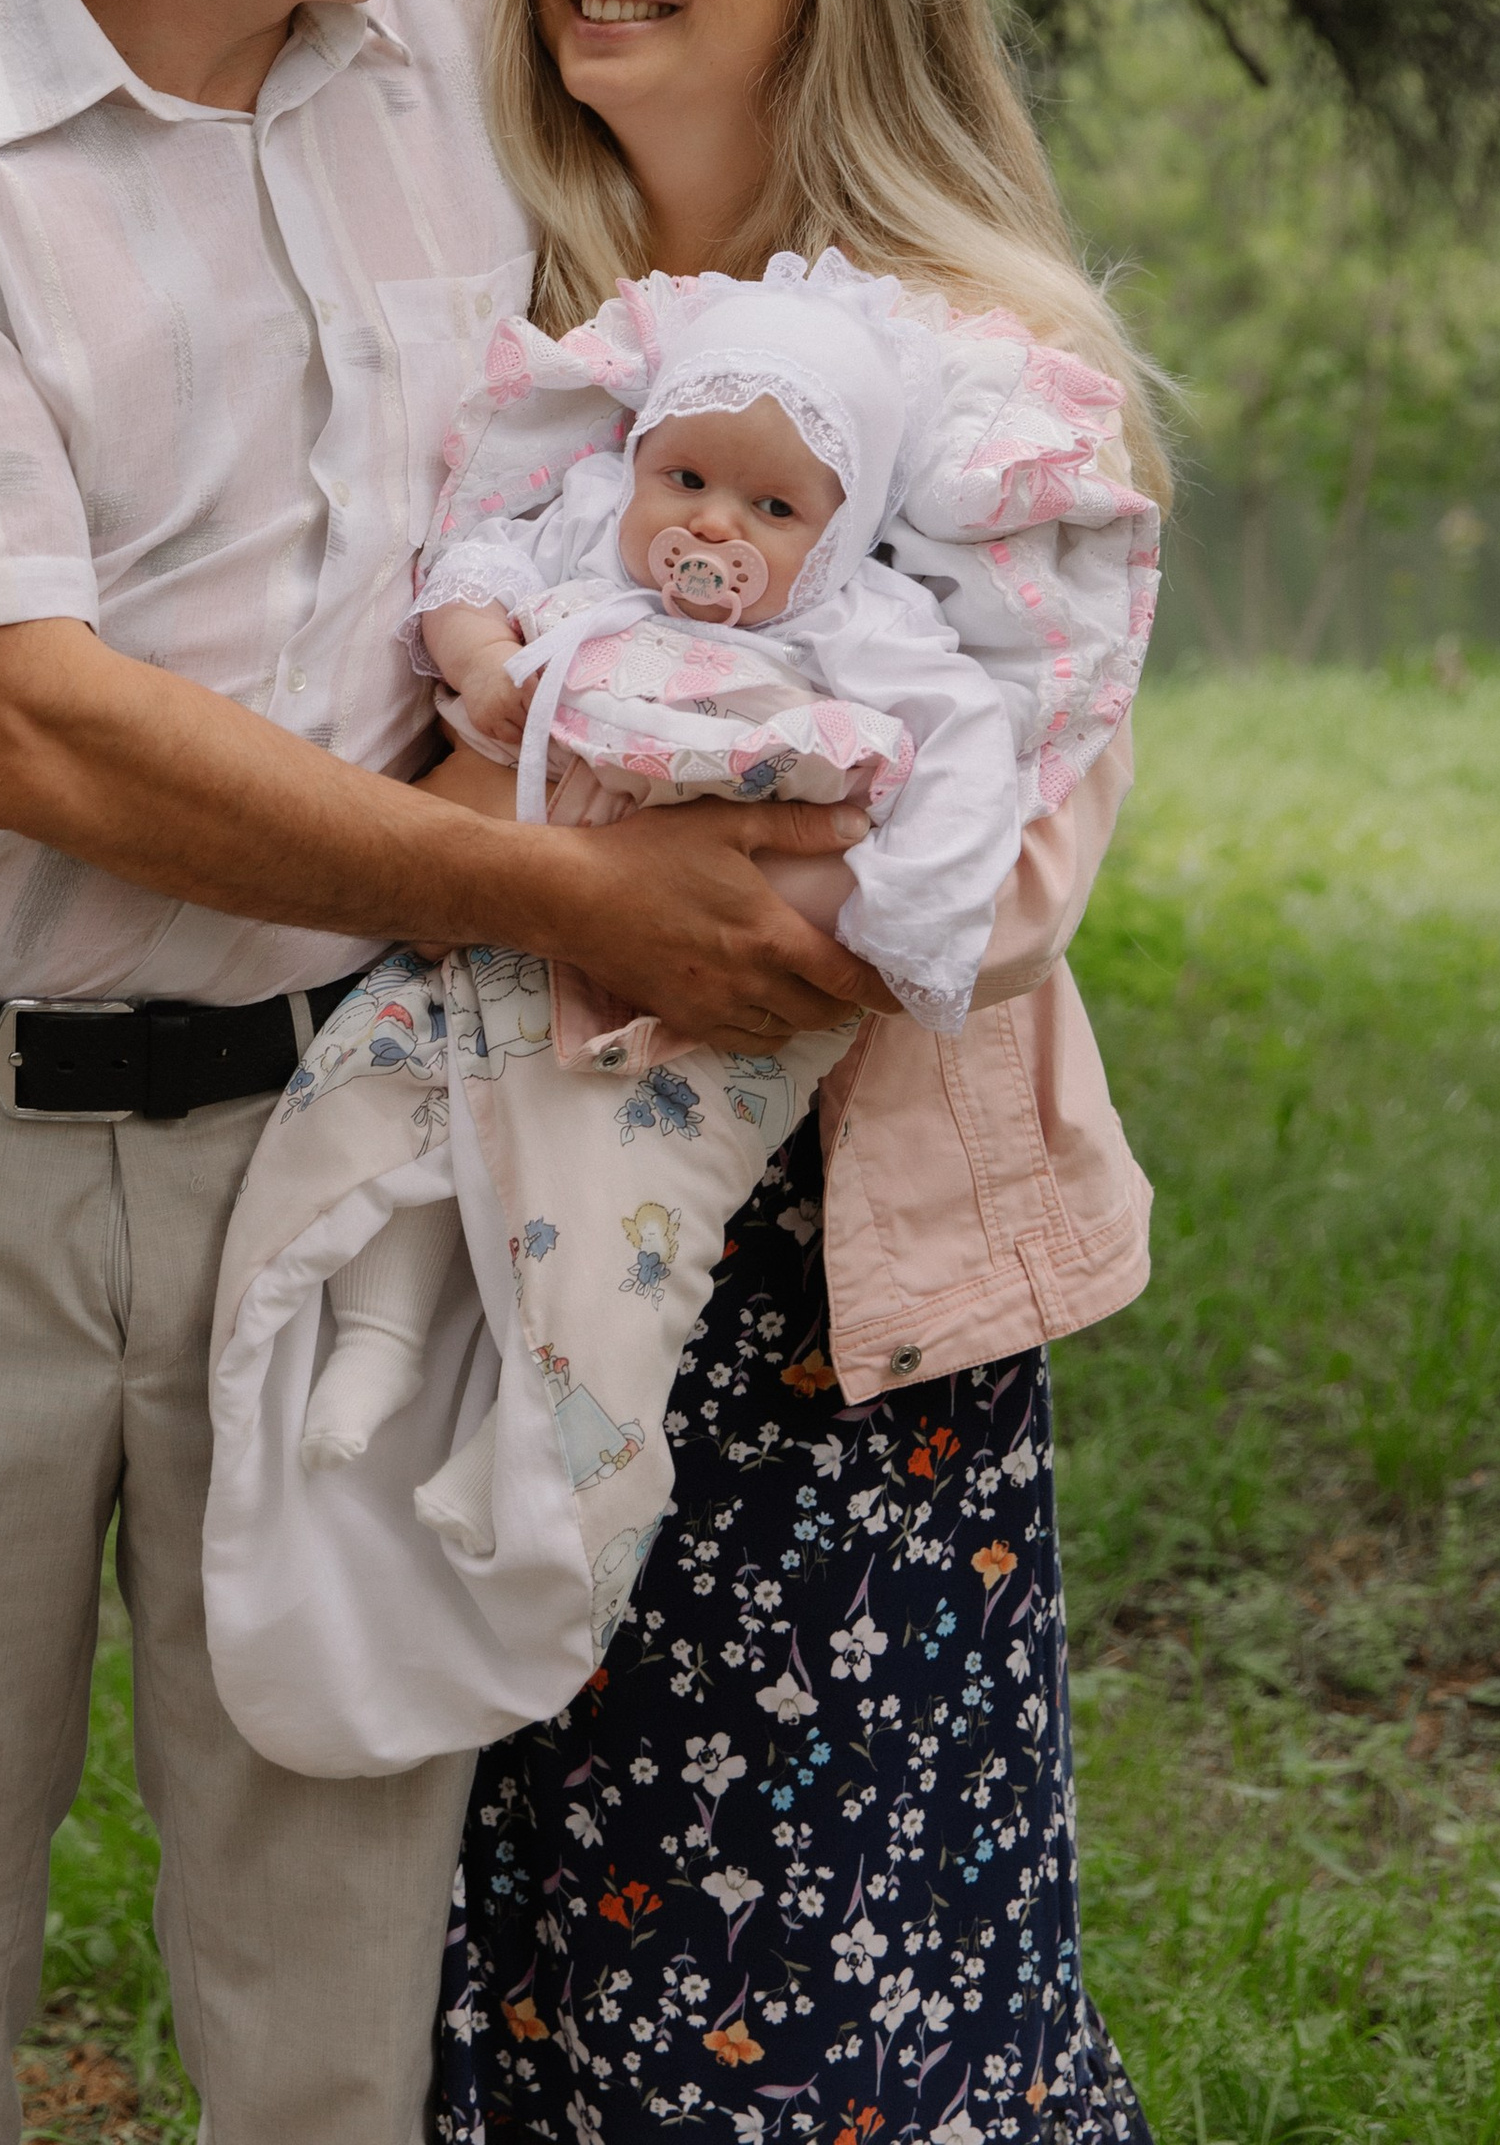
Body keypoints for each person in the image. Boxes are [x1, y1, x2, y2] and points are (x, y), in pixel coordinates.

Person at [0, 0, 1162, 2140]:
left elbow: (992, 872)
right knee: (463, 2038)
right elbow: (218, 611)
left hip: (803, 1330)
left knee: (799, 2043)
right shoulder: (525, 283)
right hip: (438, 1277)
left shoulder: (976, 373)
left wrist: (594, 848)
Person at [196, 250, 1155, 1794]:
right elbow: (472, 585)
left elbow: (974, 759)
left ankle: (532, 1487)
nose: (715, 526)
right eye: (691, 479)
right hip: (510, 903)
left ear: (834, 536)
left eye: (772, 511)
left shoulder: (860, 627)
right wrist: (484, 673)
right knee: (384, 1097)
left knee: (603, 1233)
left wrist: (900, 923)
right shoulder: (588, 537)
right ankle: (371, 1343)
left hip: (703, 1015)